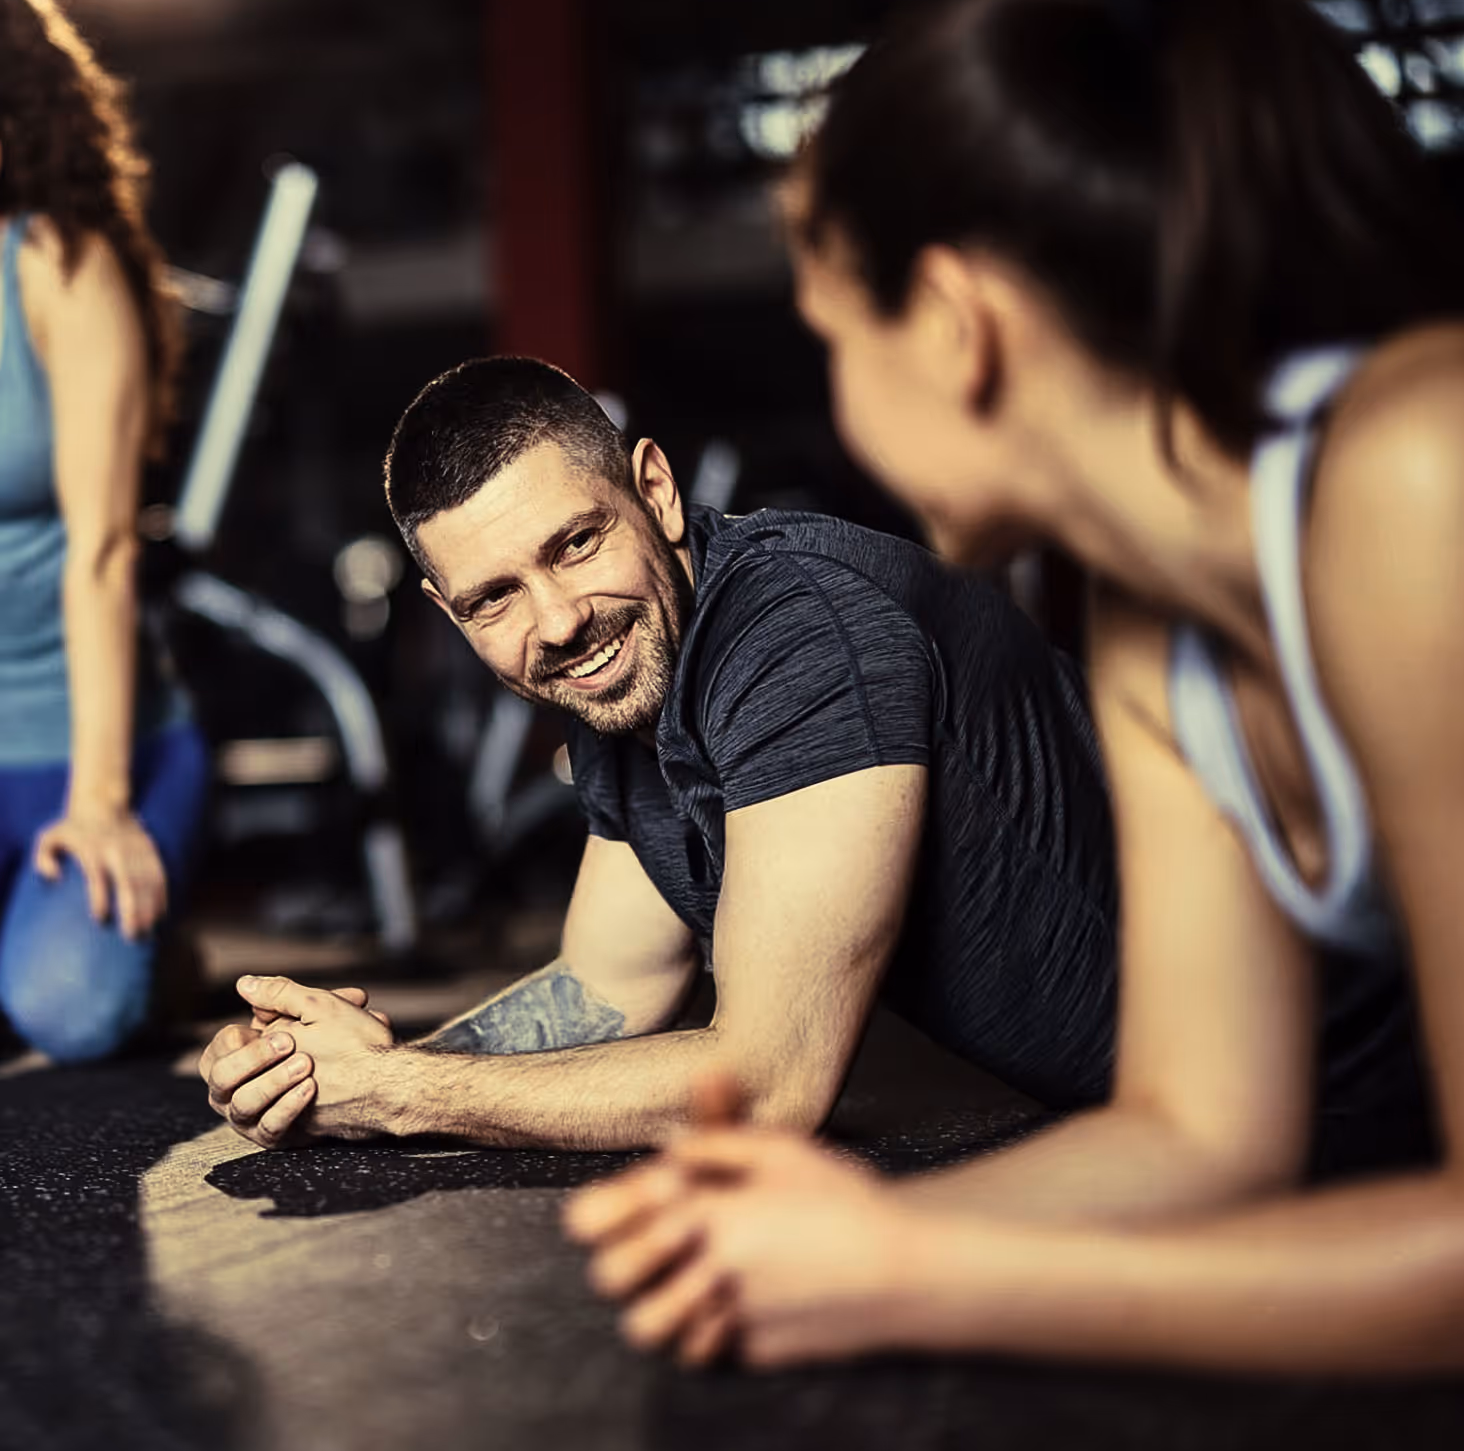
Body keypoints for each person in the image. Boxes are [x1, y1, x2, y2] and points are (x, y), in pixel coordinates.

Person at [565, 0, 1464, 1376]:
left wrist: (919, 1273)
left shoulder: (1429, 469)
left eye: (829, 334)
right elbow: (1201, 1135)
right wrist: (808, 1237)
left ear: (953, 326)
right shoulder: (1157, 620)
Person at [196, 353, 1128, 1148]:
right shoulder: (627, 690)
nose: (557, 621)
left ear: (657, 492)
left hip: (1252, 1096)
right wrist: (338, 1073)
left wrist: (399, 1096)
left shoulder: (797, 633)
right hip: (1149, 1129)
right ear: (449, 613)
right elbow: (611, 985)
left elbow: (768, 1087)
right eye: (495, 598)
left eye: (575, 543)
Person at [0, 0, 208, 1062]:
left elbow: (105, 551)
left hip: (84, 746)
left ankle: (159, 946)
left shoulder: (59, 263)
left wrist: (99, 801)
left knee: (73, 1011)